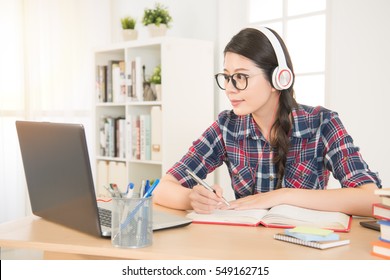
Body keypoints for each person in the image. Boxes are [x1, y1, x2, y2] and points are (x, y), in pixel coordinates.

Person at [153, 27, 381, 217]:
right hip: (248, 248)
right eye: (227, 77)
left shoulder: (323, 123)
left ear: (278, 79)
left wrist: (282, 195)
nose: (230, 88)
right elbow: (162, 188)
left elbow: (371, 198)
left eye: (241, 77)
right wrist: (193, 199)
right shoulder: (226, 127)